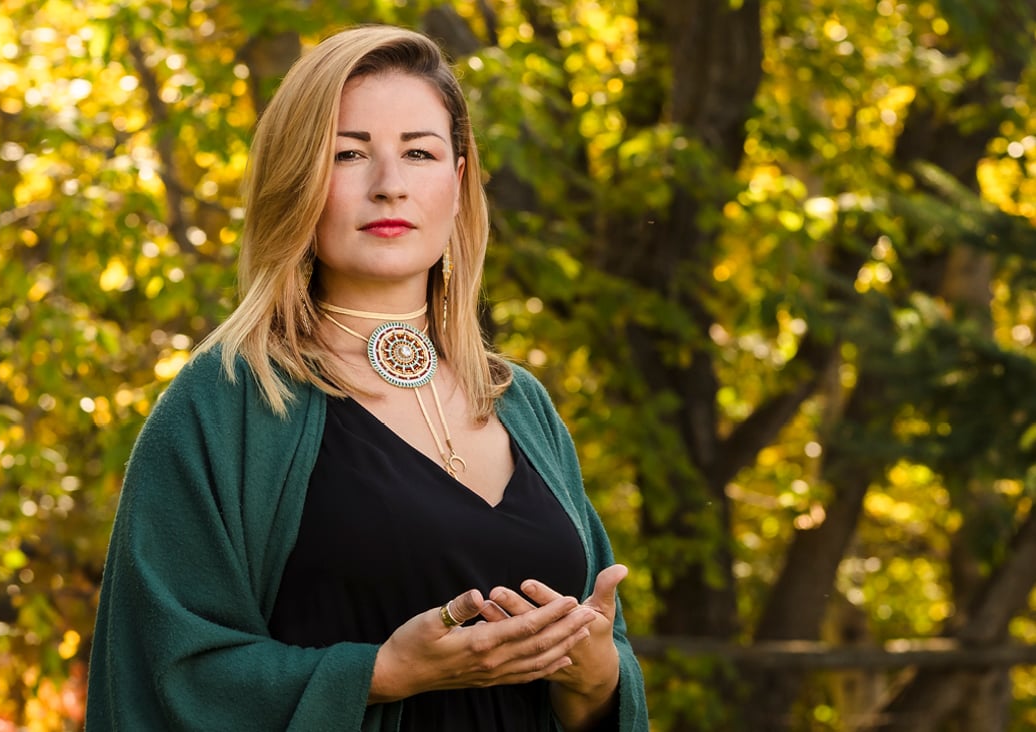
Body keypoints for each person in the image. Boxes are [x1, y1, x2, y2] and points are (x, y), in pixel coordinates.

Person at [85, 24, 648, 731]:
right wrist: (380, 675)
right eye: (349, 154)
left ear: (459, 178)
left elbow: (598, 676)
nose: (390, 185)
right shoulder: (224, 403)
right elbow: (161, 674)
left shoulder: (520, 405)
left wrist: (596, 678)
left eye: (419, 152)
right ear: (297, 178)